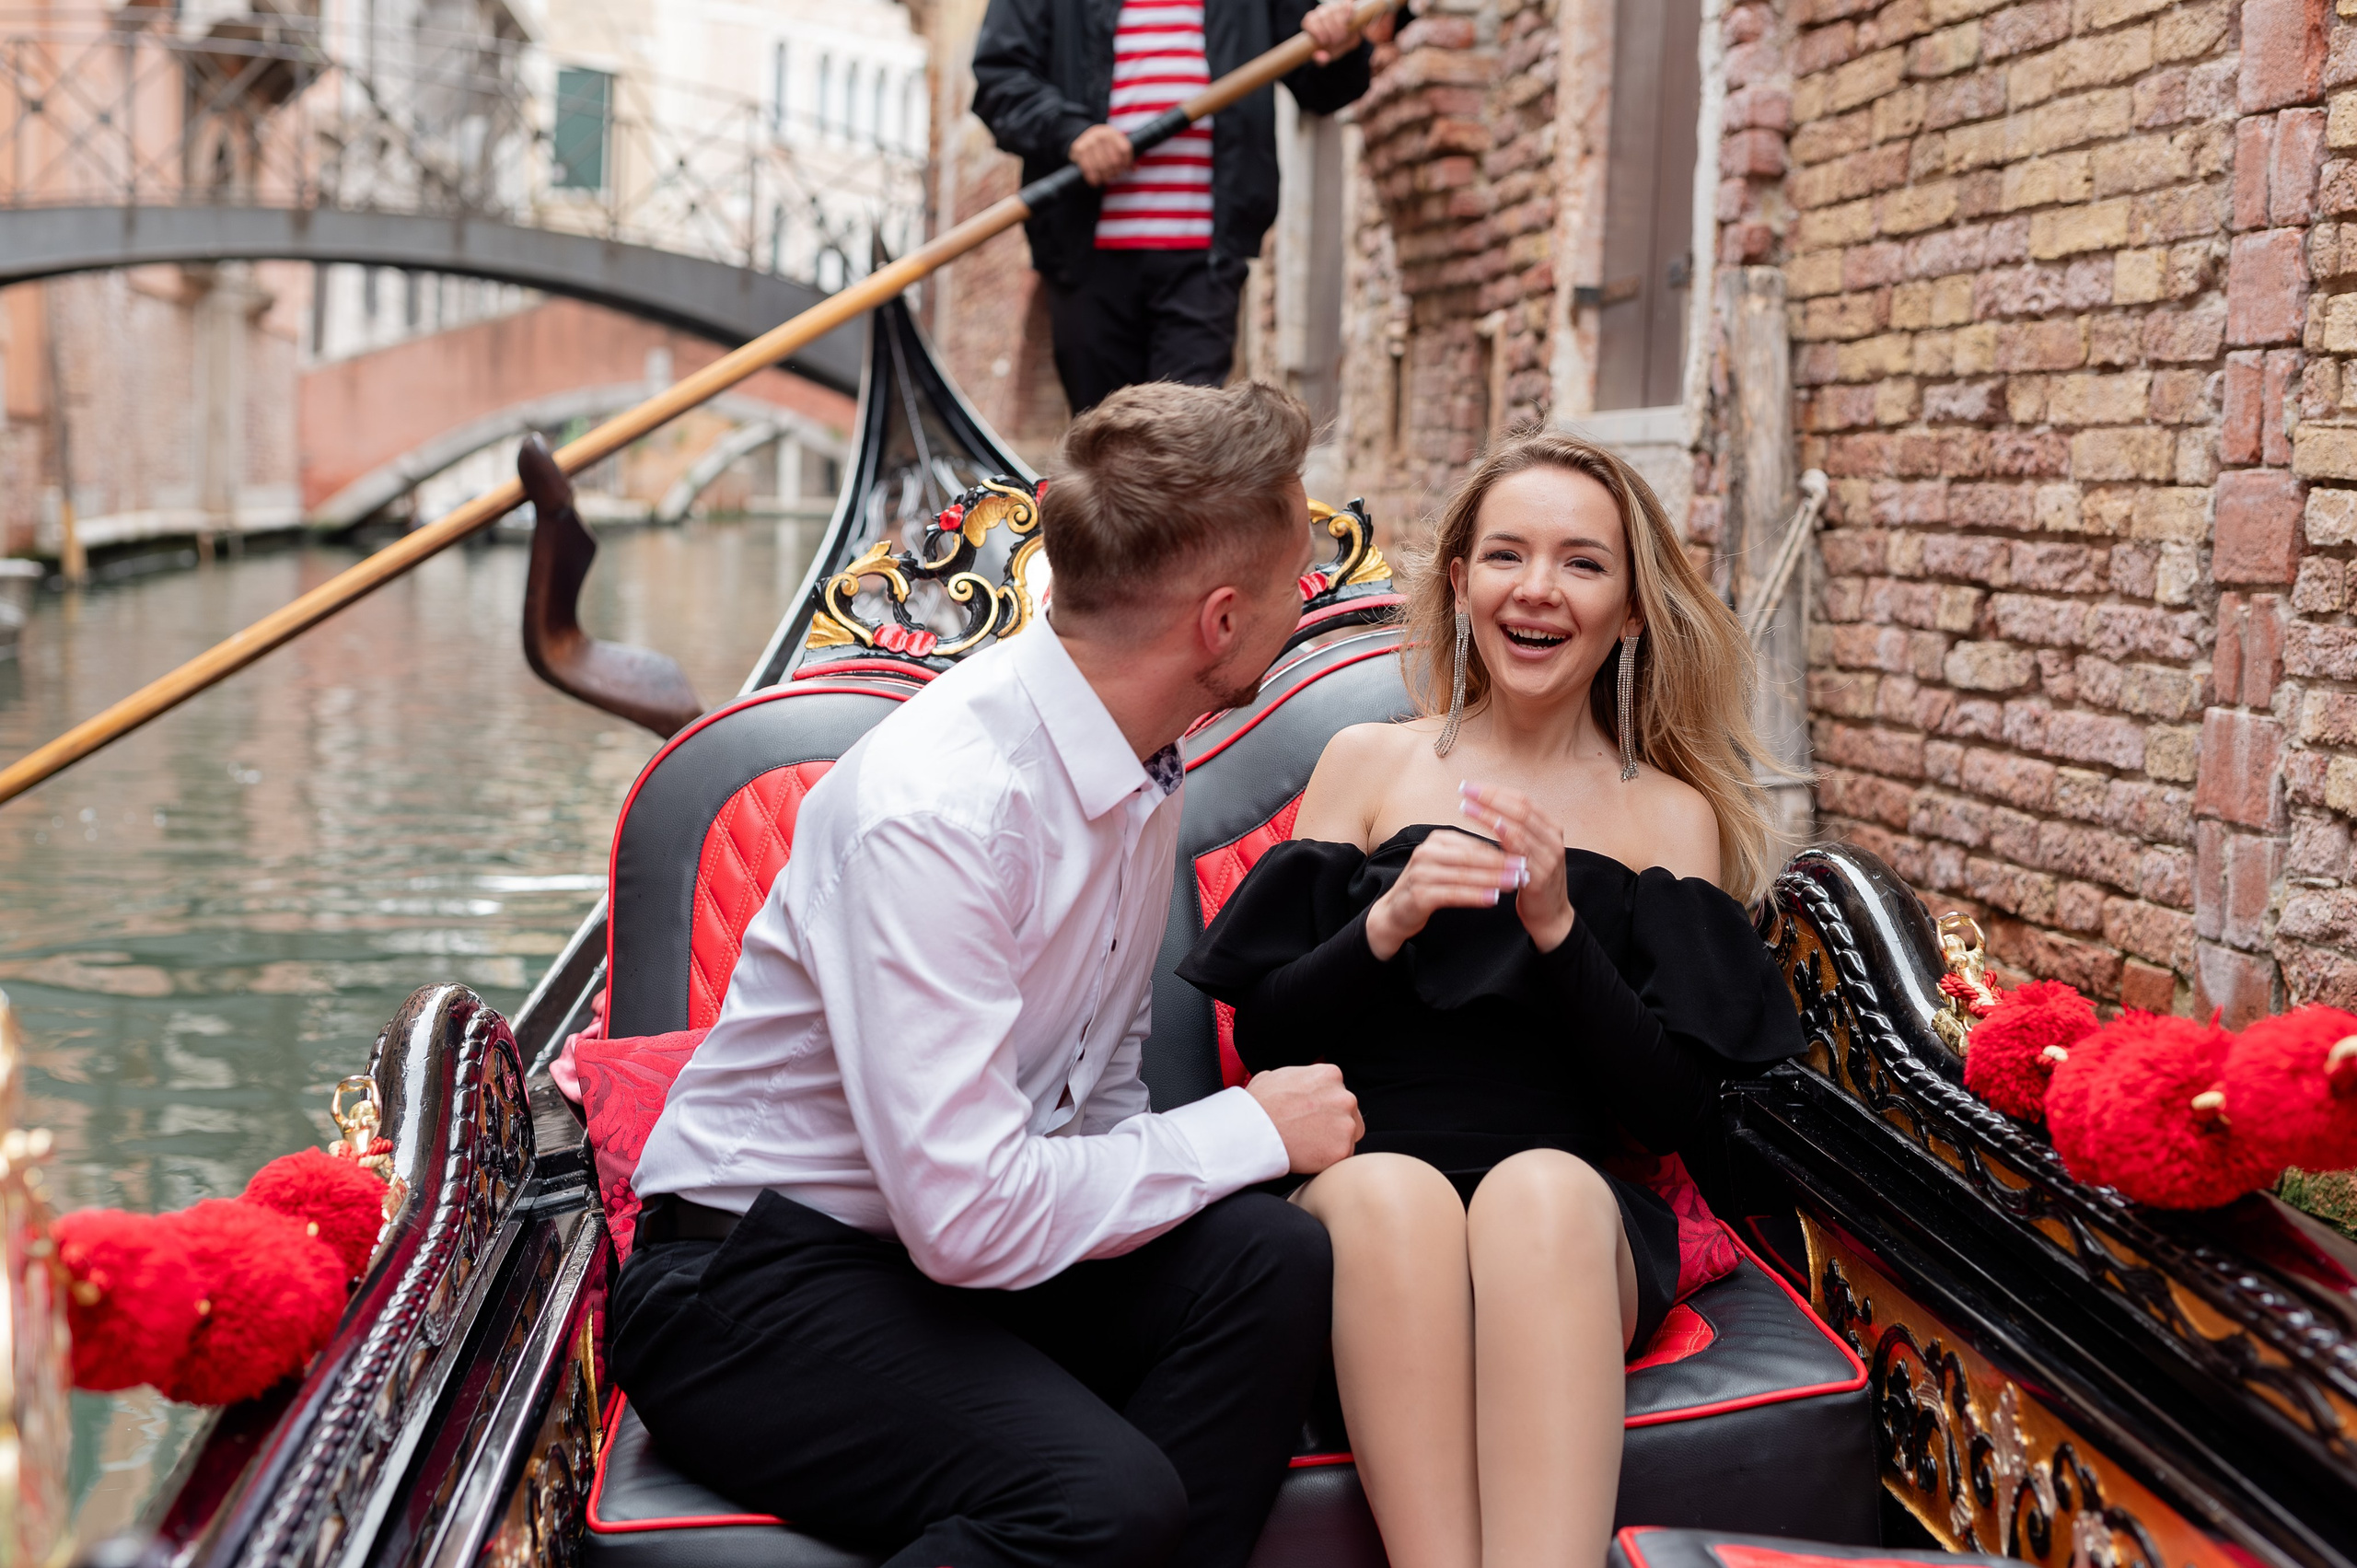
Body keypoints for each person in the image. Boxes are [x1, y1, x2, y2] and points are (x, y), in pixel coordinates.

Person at [610, 381, 1365, 1568]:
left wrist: (1211, 1169)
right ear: (1221, 620)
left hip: (932, 1252)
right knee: (1100, 1500)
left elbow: (1096, 1093)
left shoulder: (1138, 758)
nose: (1306, 600)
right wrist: (1248, 1132)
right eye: (1294, 579)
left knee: (1267, 1261)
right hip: (747, 1281)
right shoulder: (943, 810)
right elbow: (967, 1219)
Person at [1178, 431, 1805, 1568]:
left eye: (1581, 562)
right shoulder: (1368, 764)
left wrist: (1559, 927)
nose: (1537, 587)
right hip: (1365, 1189)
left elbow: (1670, 1114)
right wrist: (1390, 915)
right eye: (1507, 554)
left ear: (1630, 612)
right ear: (1462, 584)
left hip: (1567, 1215)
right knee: (1387, 1196)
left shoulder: (1671, 816)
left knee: (1544, 1192)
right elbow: (1267, 1039)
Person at [971, 0, 1384, 413]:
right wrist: (1072, 134)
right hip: (1084, 255)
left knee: (1184, 438)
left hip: (1204, 259)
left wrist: (1340, 45)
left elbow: (1322, 86)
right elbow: (999, 80)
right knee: (1101, 440)